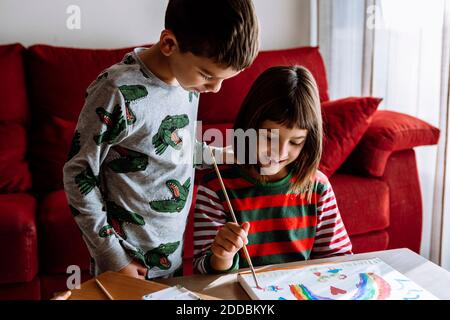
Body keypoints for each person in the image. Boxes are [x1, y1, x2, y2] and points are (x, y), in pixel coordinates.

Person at [63, 0, 259, 280]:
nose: (215, 89)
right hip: (123, 263)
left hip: (170, 259)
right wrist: (113, 257)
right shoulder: (115, 90)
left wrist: (231, 153)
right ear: (169, 43)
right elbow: (78, 174)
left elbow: (176, 149)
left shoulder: (188, 83)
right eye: (207, 75)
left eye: (223, 80)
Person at [193, 66, 353, 274]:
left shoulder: (318, 188)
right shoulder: (215, 185)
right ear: (250, 126)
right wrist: (223, 256)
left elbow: (338, 261)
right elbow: (202, 270)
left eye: (296, 142)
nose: (279, 152)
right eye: (269, 137)